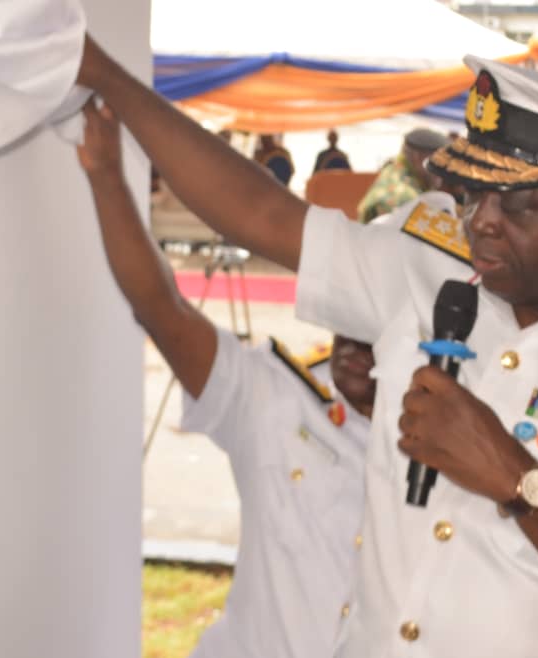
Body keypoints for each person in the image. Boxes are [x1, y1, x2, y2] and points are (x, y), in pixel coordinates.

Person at [76, 35, 538, 657]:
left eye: (520, 203)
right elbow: (260, 213)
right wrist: (110, 77)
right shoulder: (424, 268)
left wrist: (515, 478)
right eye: (473, 192)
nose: (482, 222)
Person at [76, 97, 378, 658]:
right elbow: (161, 308)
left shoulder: (458, 439)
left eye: (380, 326)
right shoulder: (278, 397)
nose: (357, 343)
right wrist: (107, 175)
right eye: (347, 314)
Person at [355, 127, 449, 223]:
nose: (445, 168)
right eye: (439, 160)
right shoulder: (404, 197)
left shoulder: (397, 170)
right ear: (417, 157)